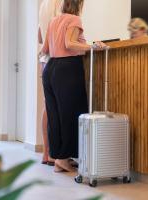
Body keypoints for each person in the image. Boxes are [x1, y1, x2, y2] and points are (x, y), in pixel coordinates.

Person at [42, 0, 106, 172]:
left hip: (50, 68)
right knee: (71, 114)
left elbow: (45, 49)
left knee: (55, 115)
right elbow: (69, 43)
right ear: (79, 4)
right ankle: (63, 158)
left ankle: (59, 158)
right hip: (68, 68)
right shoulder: (74, 19)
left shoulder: (53, 21)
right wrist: (92, 46)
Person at [38, 0, 63, 166]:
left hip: (44, 58)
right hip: (55, 56)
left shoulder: (43, 4)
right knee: (54, 107)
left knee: (48, 105)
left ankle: (46, 152)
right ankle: (55, 153)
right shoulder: (60, 3)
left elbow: (39, 35)